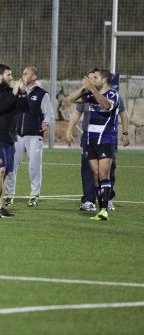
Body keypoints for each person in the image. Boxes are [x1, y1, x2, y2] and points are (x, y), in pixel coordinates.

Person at [66, 69, 119, 221]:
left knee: (104, 174)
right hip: (90, 141)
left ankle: (104, 208)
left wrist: (92, 90)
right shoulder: (89, 94)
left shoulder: (113, 95)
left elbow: (106, 105)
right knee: (95, 175)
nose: (93, 79)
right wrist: (84, 88)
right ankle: (100, 207)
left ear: (105, 80)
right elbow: (71, 99)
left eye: (96, 77)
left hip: (106, 141)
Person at [0, 63, 29, 218]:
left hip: (10, 136)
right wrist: (14, 94)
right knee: (0, 168)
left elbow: (24, 108)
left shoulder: (11, 92)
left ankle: (0, 207)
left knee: (7, 172)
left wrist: (22, 93)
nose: (11, 77)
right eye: (9, 75)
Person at [3, 66, 53, 207]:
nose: (23, 75)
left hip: (34, 136)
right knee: (11, 165)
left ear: (34, 77)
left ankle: (34, 195)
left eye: (26, 73)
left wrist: (45, 123)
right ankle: (9, 195)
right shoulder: (17, 91)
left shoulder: (42, 94)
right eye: (23, 73)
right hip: (17, 135)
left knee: (34, 166)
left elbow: (49, 114)